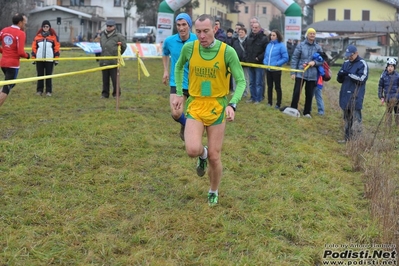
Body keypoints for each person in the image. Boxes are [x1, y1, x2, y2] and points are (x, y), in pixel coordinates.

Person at [173, 14, 246, 206]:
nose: (202, 36)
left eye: (206, 31)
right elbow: (178, 67)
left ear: (214, 28)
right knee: (192, 150)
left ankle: (213, 190)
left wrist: (233, 104)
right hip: (196, 105)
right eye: (198, 32)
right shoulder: (190, 48)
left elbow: (241, 81)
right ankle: (201, 155)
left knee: (215, 157)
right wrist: (180, 93)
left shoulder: (227, 52)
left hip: (217, 106)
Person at [162, 13, 197, 141]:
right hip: (177, 81)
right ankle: (188, 125)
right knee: (176, 113)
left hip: (195, 82)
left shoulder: (197, 40)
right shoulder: (169, 41)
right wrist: (165, 70)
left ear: (189, 25)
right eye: (178, 25)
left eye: (184, 25)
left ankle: (189, 127)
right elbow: (165, 53)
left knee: (197, 113)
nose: (181, 28)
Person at [337, 45, 369, 143]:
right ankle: (347, 139)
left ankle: (356, 142)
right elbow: (339, 80)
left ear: (356, 53)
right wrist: (340, 75)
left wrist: (349, 74)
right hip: (345, 94)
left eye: (351, 55)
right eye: (348, 56)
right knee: (347, 118)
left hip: (356, 95)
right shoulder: (346, 63)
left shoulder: (362, 64)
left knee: (356, 118)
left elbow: (362, 79)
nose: (349, 57)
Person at [290, 28, 323, 118]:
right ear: (307, 35)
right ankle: (293, 109)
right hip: (301, 73)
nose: (312, 35)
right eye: (310, 33)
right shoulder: (301, 45)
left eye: (314, 34)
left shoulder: (318, 47)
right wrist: (293, 72)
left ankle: (307, 112)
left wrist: (315, 63)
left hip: (312, 75)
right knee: (297, 92)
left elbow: (322, 61)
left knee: (309, 94)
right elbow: (295, 58)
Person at [0, 13, 30, 108]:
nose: (24, 24)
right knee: (6, 89)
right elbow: (21, 52)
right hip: (12, 64)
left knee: (9, 84)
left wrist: (3, 51)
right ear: (20, 22)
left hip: (3, 63)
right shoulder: (20, 33)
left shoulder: (4, 30)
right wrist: (27, 56)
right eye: (24, 22)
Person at [31, 20, 60, 97]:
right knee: (40, 75)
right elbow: (34, 48)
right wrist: (34, 58)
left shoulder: (53, 37)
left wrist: (56, 58)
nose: (45, 28)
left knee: (48, 75)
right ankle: (39, 90)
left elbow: (56, 48)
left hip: (49, 59)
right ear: (42, 27)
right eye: (44, 26)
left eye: (47, 26)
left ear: (49, 27)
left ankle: (48, 91)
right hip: (39, 59)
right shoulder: (37, 37)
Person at [99, 19, 127, 98]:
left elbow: (124, 46)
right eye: (107, 26)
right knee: (105, 79)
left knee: (115, 79)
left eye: (110, 26)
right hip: (104, 60)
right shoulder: (103, 35)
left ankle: (116, 93)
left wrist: (117, 54)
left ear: (114, 27)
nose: (108, 27)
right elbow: (101, 45)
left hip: (113, 61)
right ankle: (105, 94)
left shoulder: (119, 36)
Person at [263, 29, 288, 109]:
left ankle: (278, 103)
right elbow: (266, 56)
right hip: (268, 69)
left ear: (277, 36)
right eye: (271, 35)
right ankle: (269, 102)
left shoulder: (281, 45)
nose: (272, 37)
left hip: (276, 70)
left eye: (274, 35)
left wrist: (277, 64)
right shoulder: (268, 45)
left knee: (277, 87)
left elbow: (285, 58)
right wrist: (265, 62)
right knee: (269, 86)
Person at [245, 22, 268, 104]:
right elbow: (246, 48)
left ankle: (258, 98)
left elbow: (266, 51)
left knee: (258, 82)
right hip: (250, 63)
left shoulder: (264, 38)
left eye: (256, 27)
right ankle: (252, 97)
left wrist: (259, 58)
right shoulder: (249, 37)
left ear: (259, 28)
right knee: (251, 82)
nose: (254, 29)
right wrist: (247, 58)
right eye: (253, 27)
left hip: (259, 63)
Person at [378, 58, 399, 127]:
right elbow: (380, 86)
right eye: (389, 66)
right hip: (388, 98)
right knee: (389, 111)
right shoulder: (383, 76)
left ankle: (397, 124)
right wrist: (381, 96)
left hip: (396, 97)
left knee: (397, 111)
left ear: (394, 67)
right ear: (387, 67)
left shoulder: (397, 76)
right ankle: (388, 124)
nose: (390, 68)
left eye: (392, 66)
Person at [231, 27, 249, 97]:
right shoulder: (235, 42)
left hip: (245, 62)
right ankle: (235, 91)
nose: (240, 33)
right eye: (239, 32)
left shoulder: (248, 41)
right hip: (236, 62)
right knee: (235, 77)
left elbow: (249, 51)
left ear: (245, 33)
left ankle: (245, 92)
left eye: (242, 32)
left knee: (245, 78)